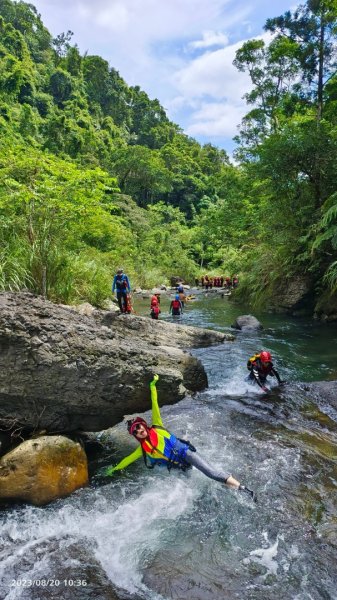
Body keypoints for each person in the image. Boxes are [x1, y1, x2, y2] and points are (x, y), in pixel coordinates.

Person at [105, 375, 256, 501]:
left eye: (139, 427)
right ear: (136, 436)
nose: (139, 431)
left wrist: (152, 386)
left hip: (186, 454)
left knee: (211, 473)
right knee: (190, 491)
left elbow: (154, 404)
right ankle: (226, 490)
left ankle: (244, 489)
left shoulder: (157, 427)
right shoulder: (143, 450)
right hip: (180, 467)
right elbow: (127, 460)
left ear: (144, 425)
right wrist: (114, 469)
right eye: (136, 431)